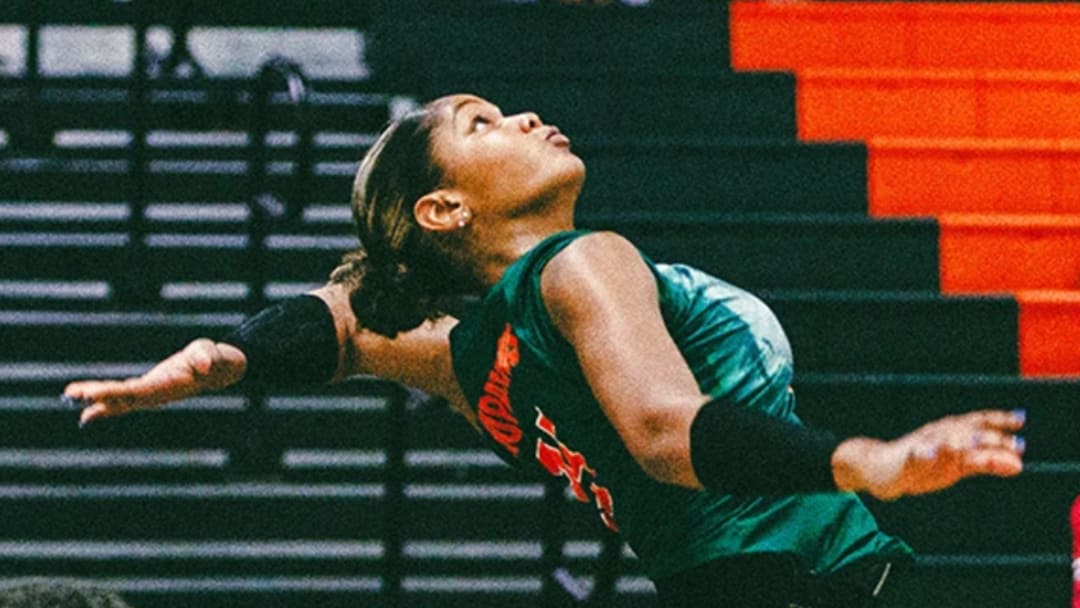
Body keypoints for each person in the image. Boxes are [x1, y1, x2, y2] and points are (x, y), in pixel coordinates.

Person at [64, 94, 1026, 607]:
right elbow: (661, 431)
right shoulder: (580, 263)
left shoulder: (476, 355)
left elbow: (349, 329)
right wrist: (867, 461)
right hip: (802, 577)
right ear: (446, 211)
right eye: (481, 125)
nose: (523, 117)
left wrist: (222, 358)